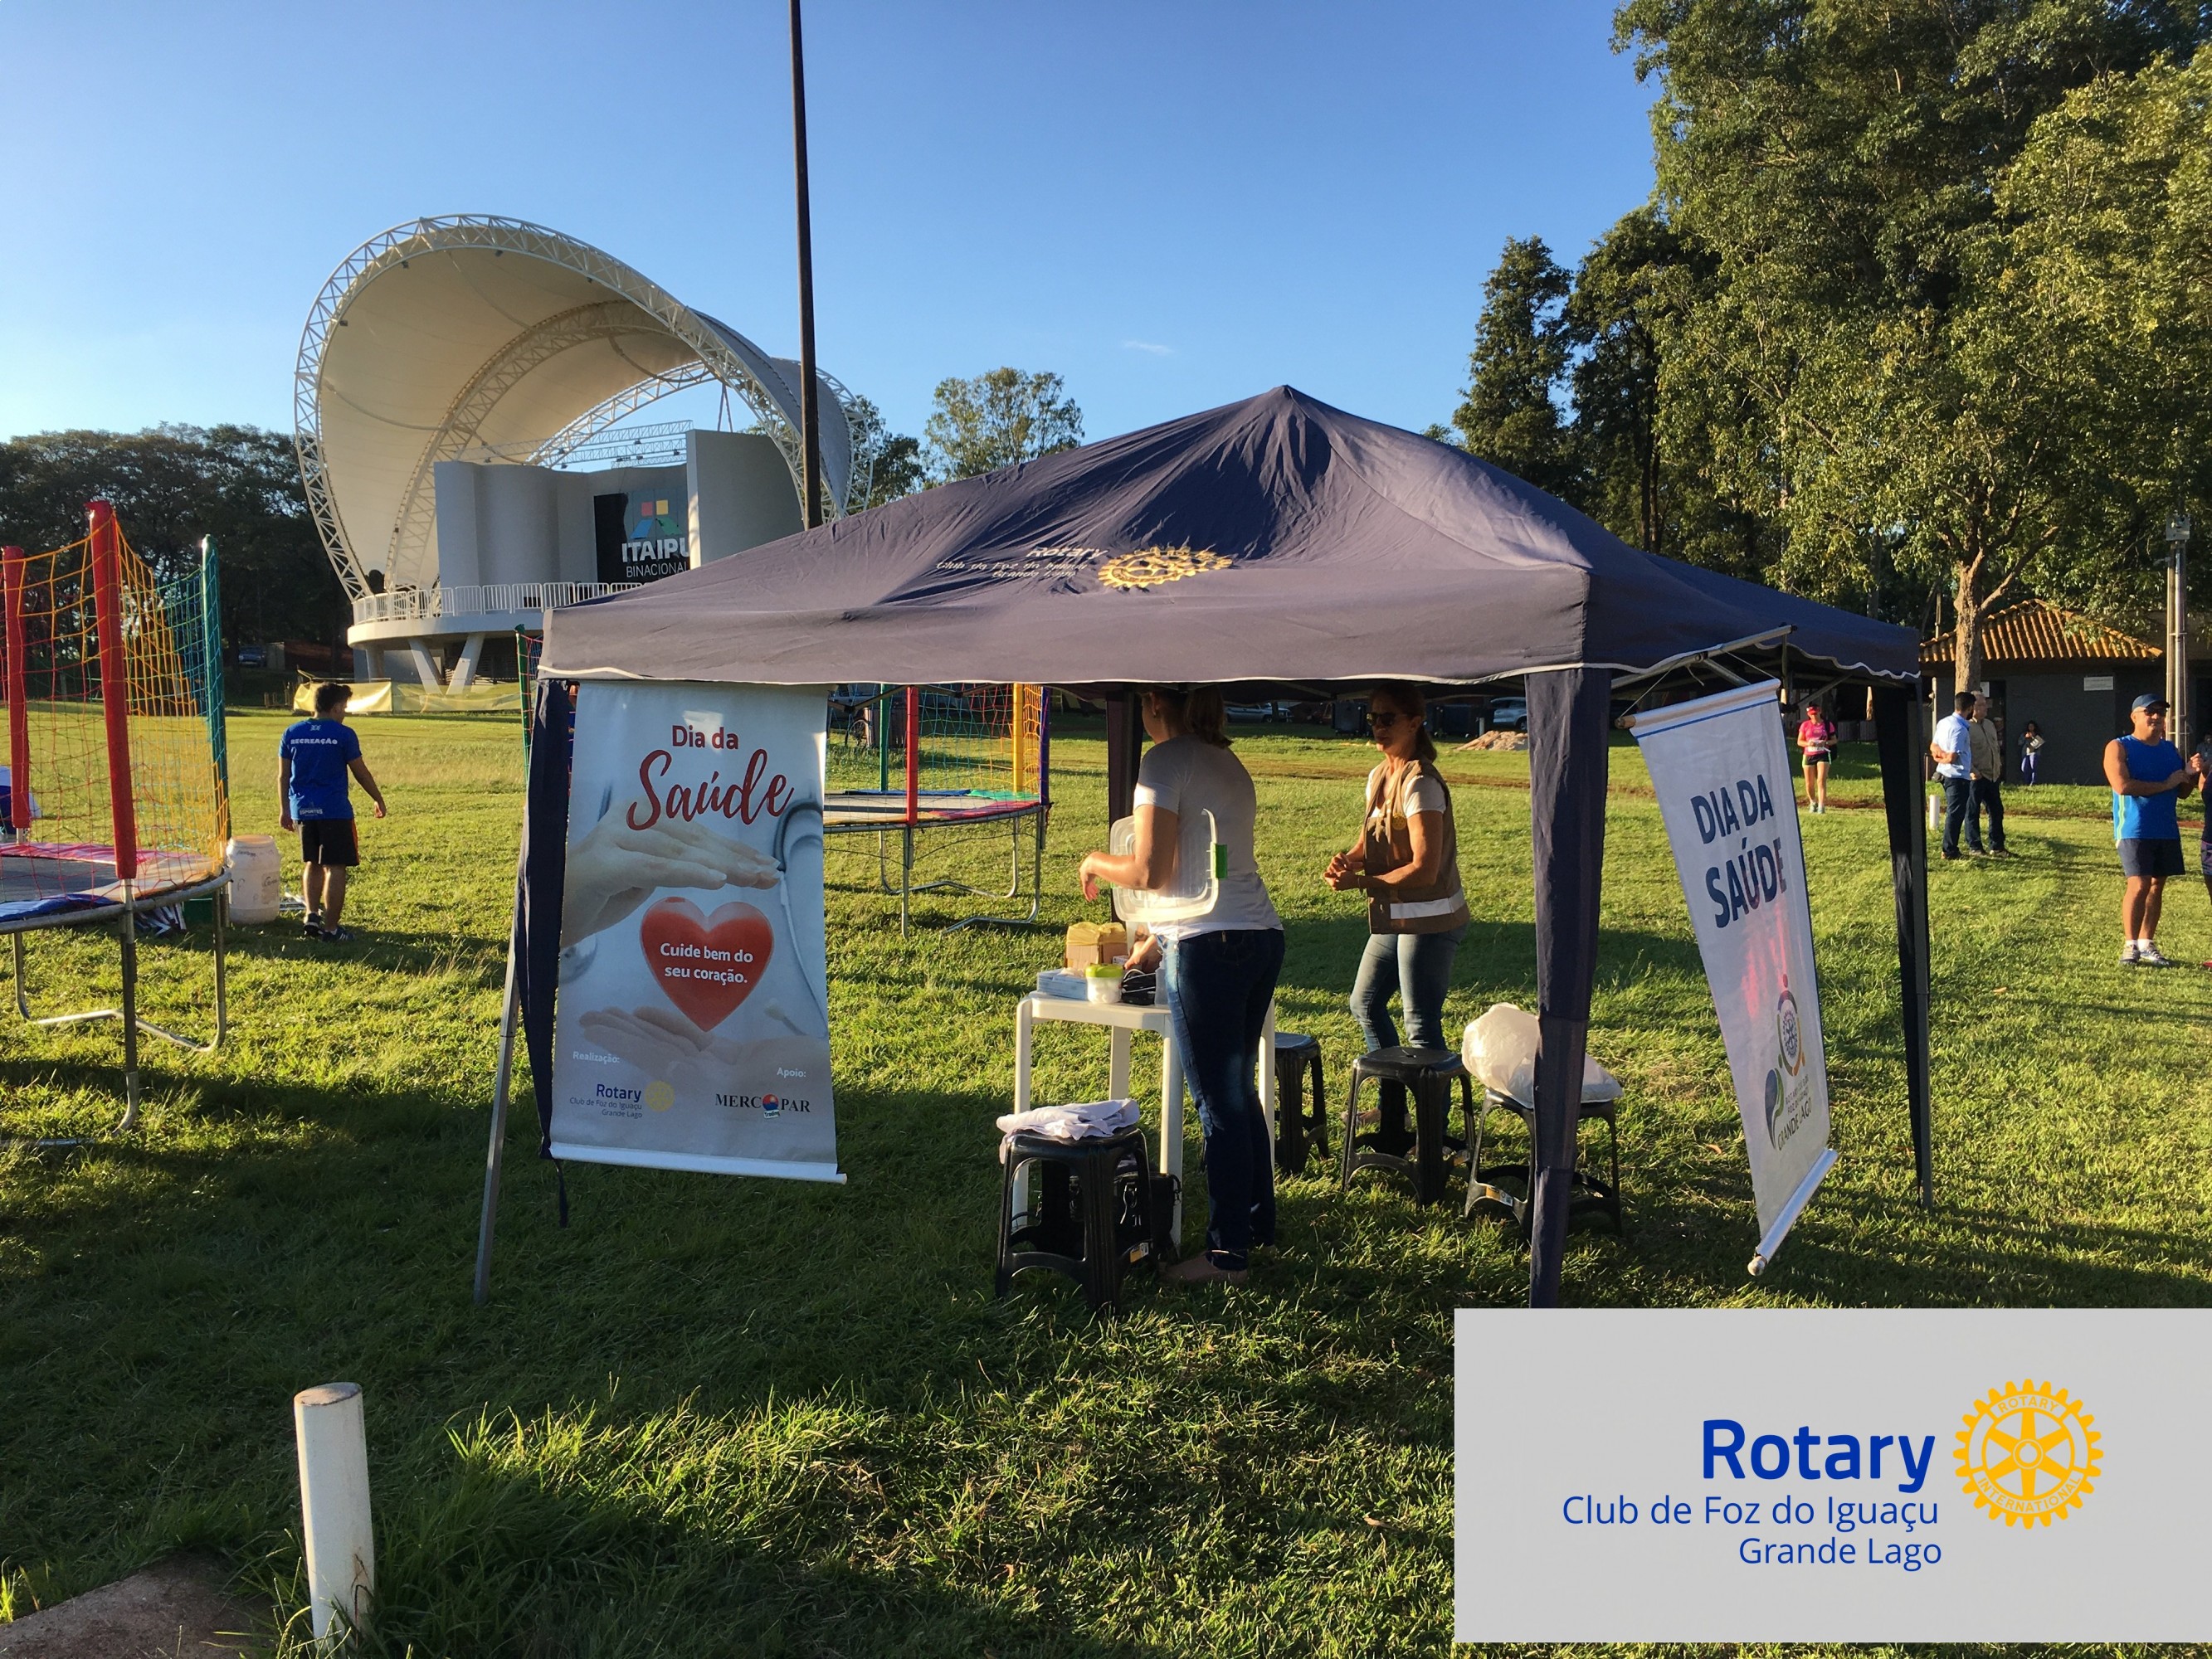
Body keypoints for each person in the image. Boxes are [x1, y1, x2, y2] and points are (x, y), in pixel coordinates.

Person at [1079, 687, 1283, 1287]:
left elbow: (1150, 870)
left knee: (1218, 1101)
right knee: (1237, 1091)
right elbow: (1207, 868)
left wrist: (1094, 861)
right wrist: (1158, 941)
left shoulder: (1163, 762)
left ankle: (1227, 1256)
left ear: (1154, 704)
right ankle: (1256, 1224)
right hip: (1259, 935)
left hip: (1210, 948)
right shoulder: (1226, 761)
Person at [1324, 684, 1468, 1053]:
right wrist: (1347, 860)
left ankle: (1431, 1094)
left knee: (1420, 1024)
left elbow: (1425, 870)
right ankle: (1392, 1093)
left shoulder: (1420, 783)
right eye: (1373, 718)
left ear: (1415, 723)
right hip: (1399, 912)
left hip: (1431, 918)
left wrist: (1360, 882)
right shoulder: (1379, 776)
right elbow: (1367, 844)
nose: (1378, 727)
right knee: (1365, 1004)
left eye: (1388, 719)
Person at [278, 682, 387, 941]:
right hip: (334, 810)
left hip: (302, 810)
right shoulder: (343, 734)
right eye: (345, 707)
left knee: (312, 862)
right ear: (336, 707)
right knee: (336, 867)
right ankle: (331, 929)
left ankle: (312, 914)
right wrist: (378, 798)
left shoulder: (291, 732)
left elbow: (283, 776)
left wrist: (284, 809)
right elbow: (360, 772)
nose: (345, 713)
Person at [2103, 693, 2196, 966]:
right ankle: (2130, 945)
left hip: (2165, 828)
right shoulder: (2119, 747)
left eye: (2161, 712)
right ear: (2135, 717)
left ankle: (2147, 943)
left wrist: (2191, 774)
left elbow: (2182, 792)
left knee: (2157, 886)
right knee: (2140, 884)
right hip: (2134, 828)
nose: (2156, 717)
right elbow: (2123, 786)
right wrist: (2167, 784)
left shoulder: (2170, 750)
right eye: (2150, 712)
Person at [1929, 691, 1978, 860]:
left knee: (1954, 812)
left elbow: (1933, 745)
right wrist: (1943, 758)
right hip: (1957, 776)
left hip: (1944, 774)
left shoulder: (1943, 722)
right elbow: (1952, 757)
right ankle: (1949, 850)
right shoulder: (1960, 729)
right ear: (1970, 708)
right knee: (1955, 814)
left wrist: (1938, 757)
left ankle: (1950, 848)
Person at [1966, 693, 2011, 857]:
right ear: (1972, 708)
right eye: (1981, 705)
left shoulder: (1990, 725)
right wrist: (1972, 770)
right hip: (1976, 777)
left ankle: (1997, 846)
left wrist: (1998, 768)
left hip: (1992, 776)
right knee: (1972, 812)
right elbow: (1963, 753)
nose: (1985, 708)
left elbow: (1995, 749)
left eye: (1985, 704)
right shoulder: (1966, 727)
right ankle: (1975, 847)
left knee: (1996, 810)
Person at [1795, 700, 1838, 815]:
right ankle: (1813, 802)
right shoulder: (1805, 725)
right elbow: (1800, 741)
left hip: (1823, 754)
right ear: (1808, 714)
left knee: (1821, 780)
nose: (1814, 716)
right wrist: (1808, 743)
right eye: (1811, 714)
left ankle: (1821, 805)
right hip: (1809, 755)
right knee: (1809, 783)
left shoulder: (1827, 725)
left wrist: (1825, 743)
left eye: (1815, 714)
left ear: (1820, 712)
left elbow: (1834, 740)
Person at [2018, 720, 2045, 786]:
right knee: (2024, 767)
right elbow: (2019, 743)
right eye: (2029, 726)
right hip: (2026, 753)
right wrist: (2025, 737)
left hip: (2035, 752)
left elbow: (2040, 743)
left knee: (2033, 766)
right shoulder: (2024, 734)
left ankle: (2033, 781)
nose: (2031, 728)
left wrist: (2033, 737)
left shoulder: (2038, 735)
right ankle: (2026, 781)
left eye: (2032, 726)